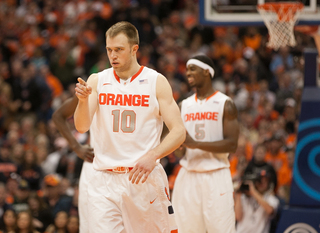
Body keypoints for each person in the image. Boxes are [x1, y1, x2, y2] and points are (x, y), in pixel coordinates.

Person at [74, 21, 185, 233]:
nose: (112, 55)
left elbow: (179, 131)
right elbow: (81, 126)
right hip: (103, 181)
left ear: (134, 49)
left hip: (142, 178)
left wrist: (153, 155)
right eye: (109, 50)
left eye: (118, 50)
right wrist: (81, 101)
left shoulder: (156, 81)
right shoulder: (98, 80)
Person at [172, 55, 239, 233]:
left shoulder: (225, 103)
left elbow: (232, 145)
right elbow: (180, 151)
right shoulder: (183, 105)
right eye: (187, 69)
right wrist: (178, 148)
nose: (188, 73)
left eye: (193, 68)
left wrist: (196, 144)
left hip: (216, 174)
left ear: (207, 72)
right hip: (188, 174)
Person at [52, 95, 94, 233]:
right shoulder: (94, 86)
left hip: (131, 171)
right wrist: (77, 147)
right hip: (96, 172)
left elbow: (164, 122)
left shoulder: (145, 85)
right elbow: (58, 116)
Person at [234, 168, 280, 233]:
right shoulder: (244, 197)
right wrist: (238, 195)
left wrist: (253, 192)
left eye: (265, 181)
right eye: (260, 181)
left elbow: (270, 210)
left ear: (269, 183)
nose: (262, 183)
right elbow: (238, 217)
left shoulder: (271, 199)